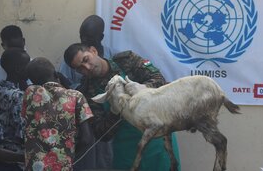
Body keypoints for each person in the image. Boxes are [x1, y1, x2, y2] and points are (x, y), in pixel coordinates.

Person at [64, 43, 180, 171]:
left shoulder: (126, 60)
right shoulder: (88, 91)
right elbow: (101, 134)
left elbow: (159, 80)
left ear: (93, 51)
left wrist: (143, 89)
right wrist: (114, 111)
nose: (87, 67)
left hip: (158, 140)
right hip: (128, 151)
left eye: (86, 59)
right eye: (81, 69)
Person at [22, 57, 94, 170]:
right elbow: (86, 139)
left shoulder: (30, 93)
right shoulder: (76, 96)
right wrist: (69, 156)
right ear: (56, 74)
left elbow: (25, 117)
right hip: (63, 165)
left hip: (35, 166)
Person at [0, 48, 30, 171]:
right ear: (18, 69)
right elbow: (22, 133)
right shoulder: (18, 96)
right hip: (15, 158)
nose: (30, 68)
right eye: (28, 65)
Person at [59, 15, 111, 90]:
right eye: (81, 36)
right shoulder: (71, 60)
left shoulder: (115, 56)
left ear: (100, 37)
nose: (84, 40)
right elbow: (63, 87)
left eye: (89, 37)